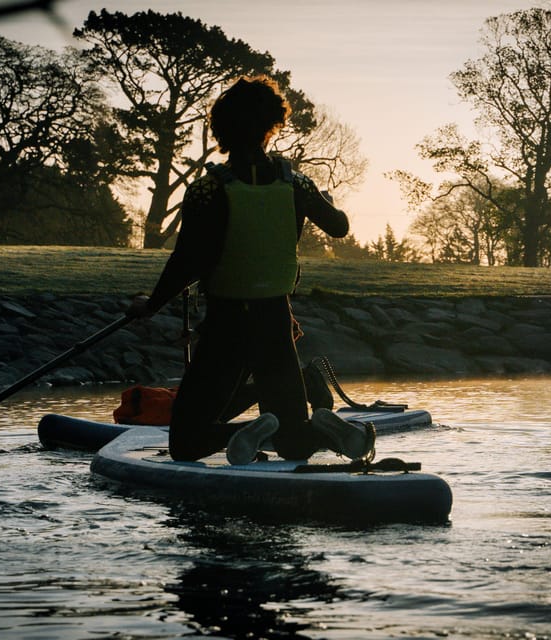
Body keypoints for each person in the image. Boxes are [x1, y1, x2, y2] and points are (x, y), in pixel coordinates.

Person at [126, 75, 374, 465]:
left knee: (186, 443)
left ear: (222, 128)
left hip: (227, 327)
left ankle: (242, 434)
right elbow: (339, 226)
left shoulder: (209, 190)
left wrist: (150, 306)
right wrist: (323, 197)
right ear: (271, 125)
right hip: (276, 324)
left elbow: (185, 263)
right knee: (294, 445)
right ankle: (324, 430)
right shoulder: (297, 184)